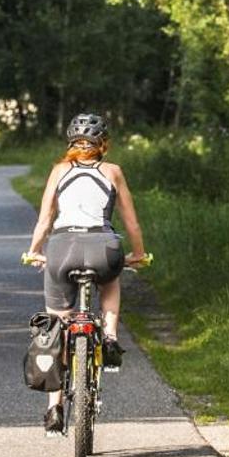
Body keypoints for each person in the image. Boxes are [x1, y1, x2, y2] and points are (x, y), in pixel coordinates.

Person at [21, 112, 147, 435]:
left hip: (62, 249)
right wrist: (139, 254)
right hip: (104, 247)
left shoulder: (59, 171)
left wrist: (35, 250)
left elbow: (45, 218)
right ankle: (110, 337)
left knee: (56, 327)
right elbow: (131, 222)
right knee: (111, 278)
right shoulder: (113, 172)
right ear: (103, 144)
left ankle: (54, 409)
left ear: (71, 144)